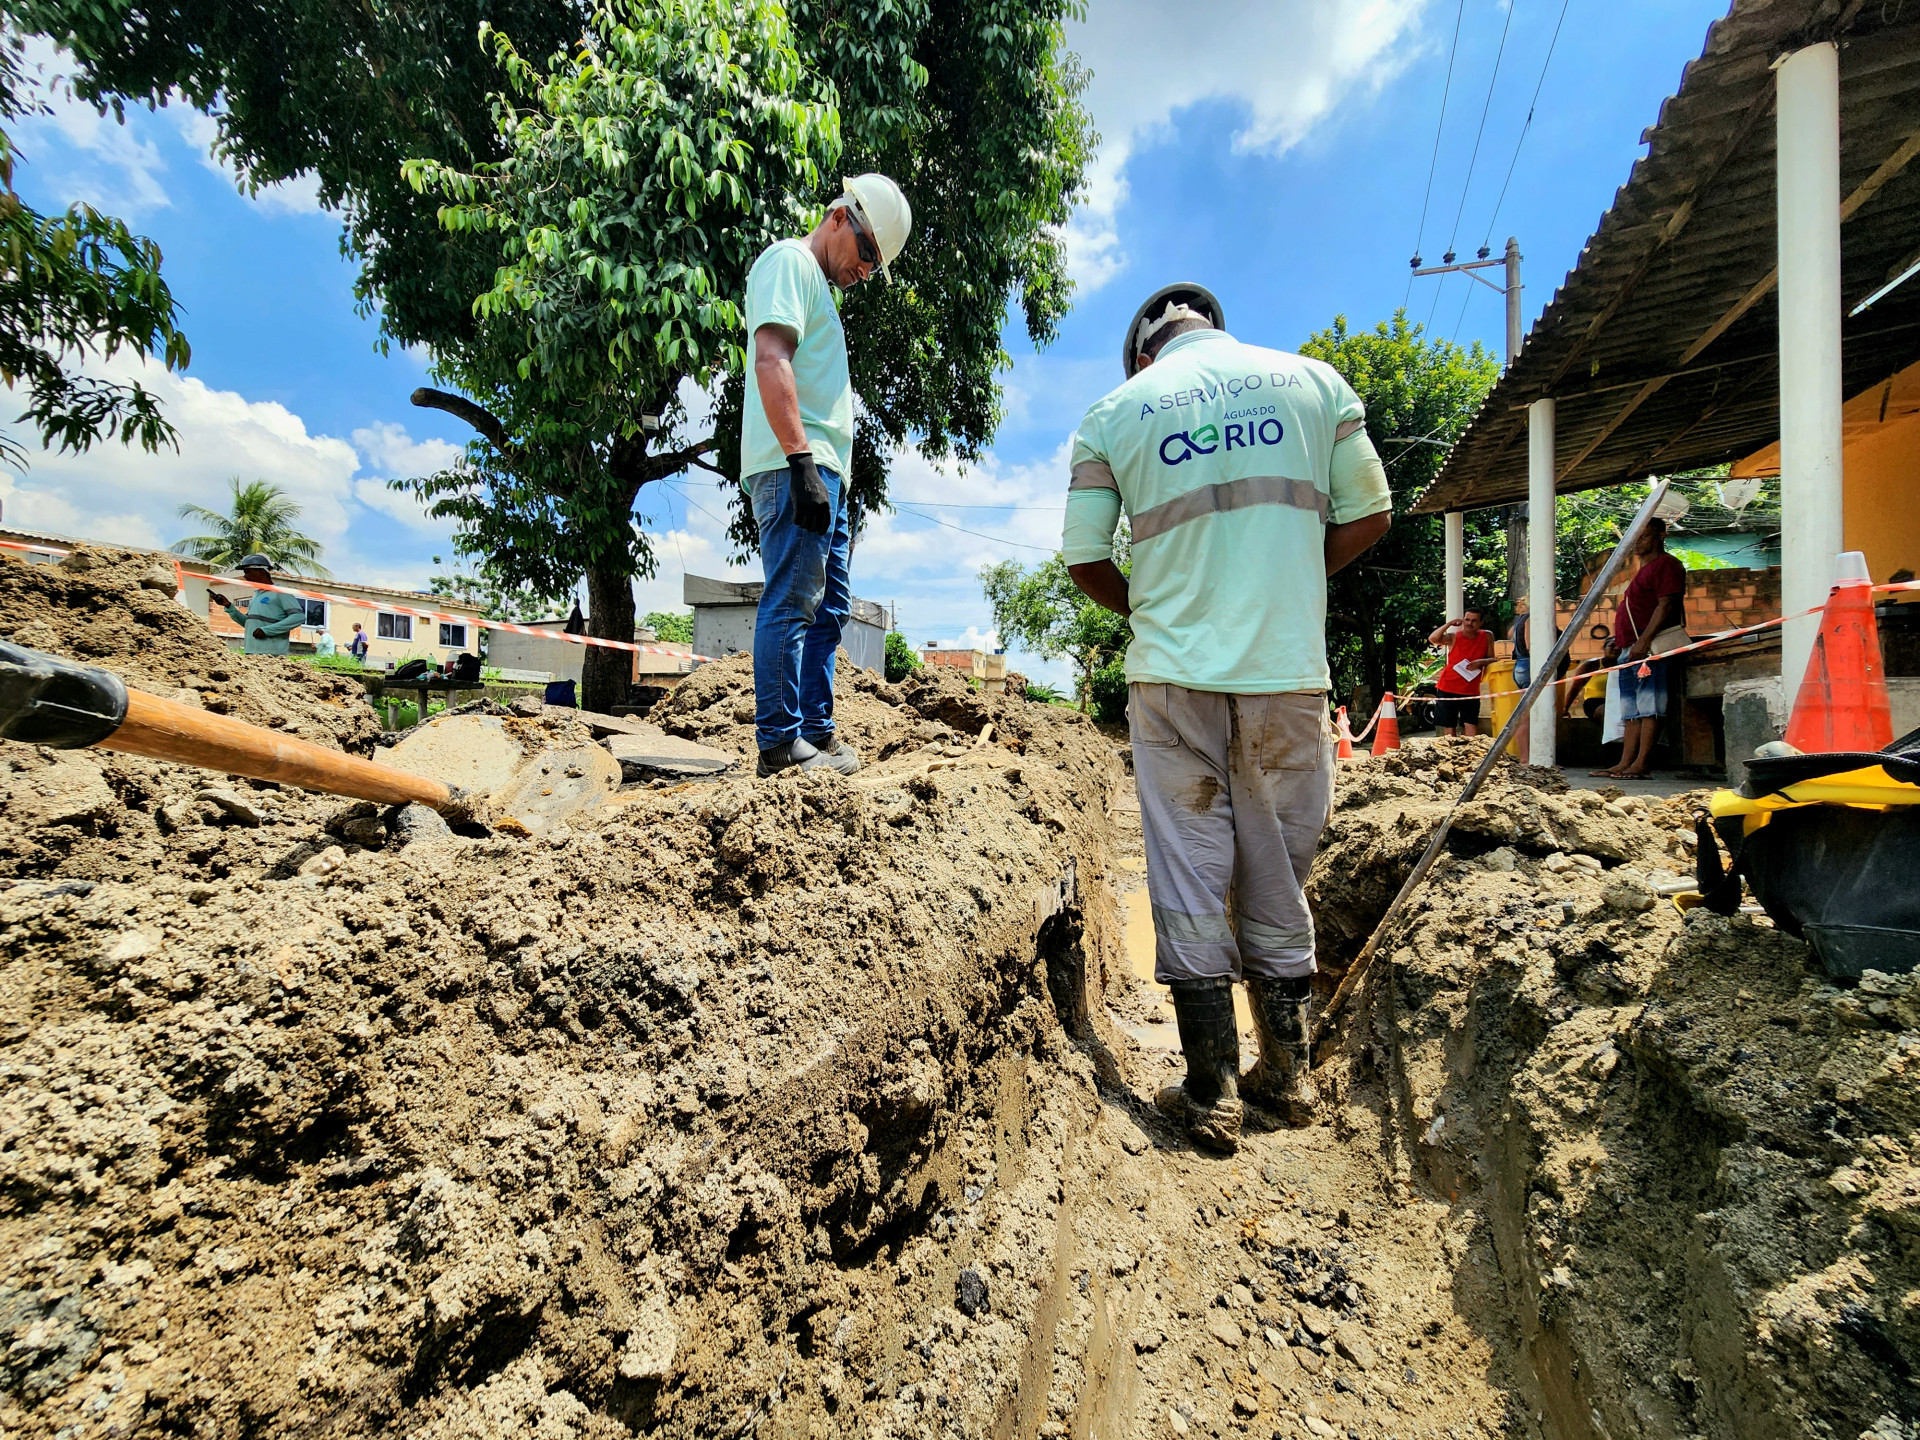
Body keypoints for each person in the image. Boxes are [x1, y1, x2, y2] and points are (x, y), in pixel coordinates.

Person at [1061, 281, 1392, 1153]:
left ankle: (1210, 1089)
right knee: (1277, 871)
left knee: (1188, 871)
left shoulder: (1114, 412)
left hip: (1173, 679)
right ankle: (1287, 1075)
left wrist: (1152, 612)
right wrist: (1291, 585)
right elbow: (1374, 510)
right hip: (1288, 673)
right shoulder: (1316, 384)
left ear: (1145, 353)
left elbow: (1083, 556)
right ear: (1214, 325)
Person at [742, 174, 912, 778]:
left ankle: (815, 729)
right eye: (867, 252)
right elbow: (771, 358)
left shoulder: (821, 291)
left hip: (823, 472)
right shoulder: (789, 263)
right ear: (841, 217)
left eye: (876, 265)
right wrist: (801, 462)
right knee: (792, 598)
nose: (866, 270)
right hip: (798, 467)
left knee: (830, 604)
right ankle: (780, 743)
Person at [1594, 517, 1685, 778]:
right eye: (1635, 537)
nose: (1637, 542)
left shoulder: (1667, 565)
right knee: (1630, 710)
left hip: (1647, 648)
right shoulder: (1641, 571)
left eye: (1644, 536)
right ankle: (1625, 762)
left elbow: (1666, 604)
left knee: (1649, 707)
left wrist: (1643, 641)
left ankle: (1642, 763)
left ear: (1660, 536)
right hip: (1628, 647)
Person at [212, 554, 306, 656]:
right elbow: (248, 623)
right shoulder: (256, 596)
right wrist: (228, 606)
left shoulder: (280, 593)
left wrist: (267, 630)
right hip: (251, 653)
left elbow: (298, 617)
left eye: (248, 572)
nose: (245, 576)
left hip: (271, 655)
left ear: (261, 572)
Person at [1427, 606, 1491, 736]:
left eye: (1474, 621)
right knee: (1448, 725)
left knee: (1470, 722)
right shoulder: (1454, 637)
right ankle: (1452, 752)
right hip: (1448, 687)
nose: (1469, 623)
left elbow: (1492, 658)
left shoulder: (1487, 635)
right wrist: (1449, 624)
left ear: (1480, 623)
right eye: (1467, 620)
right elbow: (1433, 639)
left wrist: (1481, 662)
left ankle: (1472, 752)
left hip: (1470, 688)